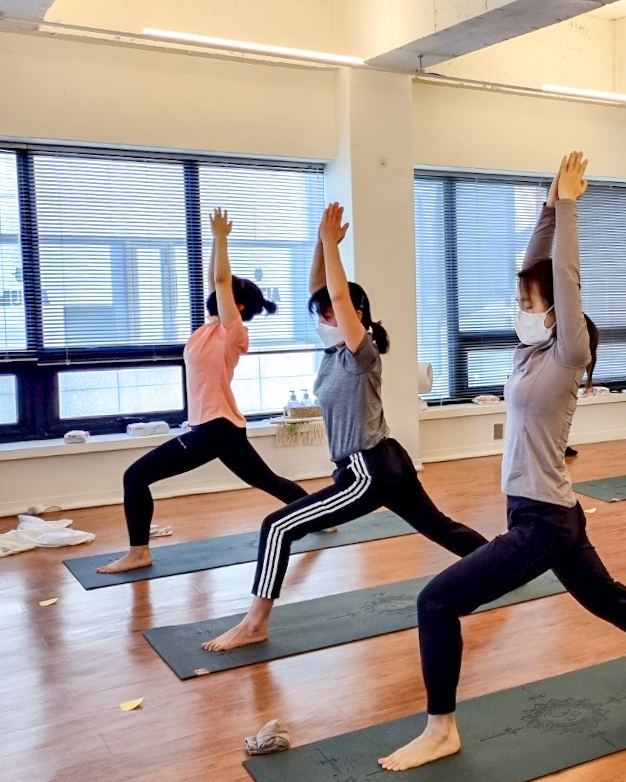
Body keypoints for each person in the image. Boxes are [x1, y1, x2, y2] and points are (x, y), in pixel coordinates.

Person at [379, 152, 626, 772]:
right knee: (604, 596)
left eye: (533, 301)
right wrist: (548, 205)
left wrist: (573, 209)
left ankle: (441, 728)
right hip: (556, 509)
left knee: (436, 603)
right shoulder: (529, 356)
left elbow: (562, 273)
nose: (521, 306)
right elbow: (536, 266)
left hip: (541, 522)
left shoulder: (565, 358)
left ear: (557, 312)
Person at [202, 202, 486, 650]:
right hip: (381, 462)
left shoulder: (362, 351)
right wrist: (320, 241)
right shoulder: (335, 353)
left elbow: (336, 296)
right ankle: (503, 564)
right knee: (440, 526)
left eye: (328, 314)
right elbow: (320, 290)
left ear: (353, 314)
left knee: (277, 527)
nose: (321, 320)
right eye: (319, 315)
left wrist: (334, 248)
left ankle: (254, 624)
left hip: (371, 466)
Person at [97, 208, 308, 574]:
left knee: (135, 476)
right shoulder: (208, 327)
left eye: (227, 293)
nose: (216, 291)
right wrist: (213, 240)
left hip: (215, 428)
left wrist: (223, 239)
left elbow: (222, 282)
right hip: (218, 427)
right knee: (266, 480)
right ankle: (318, 515)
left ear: (237, 307)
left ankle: (139, 552)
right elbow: (217, 280)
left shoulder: (233, 332)